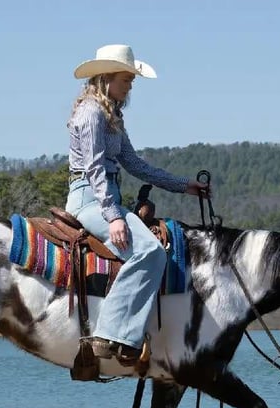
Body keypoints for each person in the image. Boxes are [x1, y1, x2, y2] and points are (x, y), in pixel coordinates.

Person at [66, 43, 209, 367]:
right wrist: (114, 215)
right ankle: (111, 334)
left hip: (106, 196)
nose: (130, 87)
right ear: (106, 78)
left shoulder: (112, 115)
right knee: (149, 251)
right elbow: (94, 168)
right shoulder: (90, 112)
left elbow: (134, 164)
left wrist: (183, 185)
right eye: (126, 79)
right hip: (90, 198)